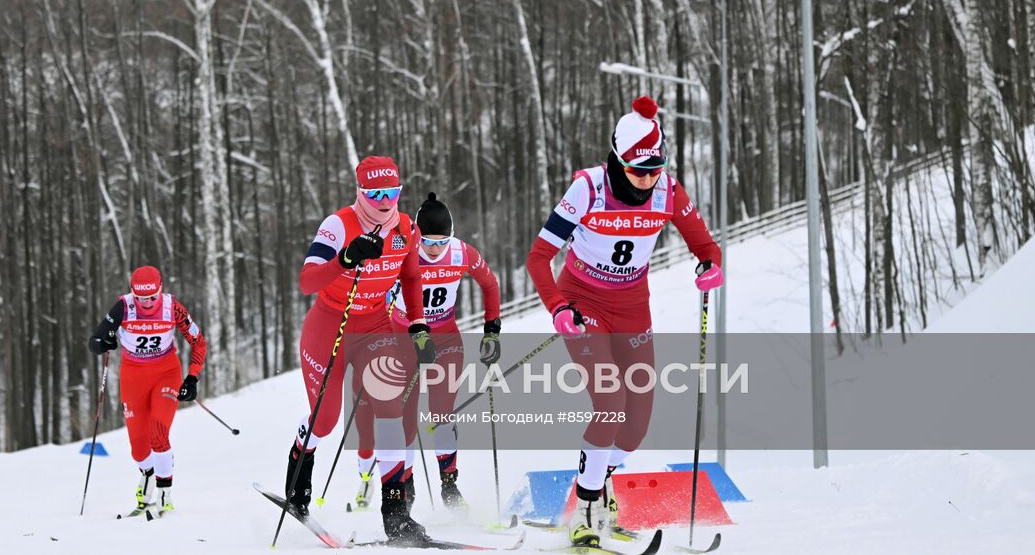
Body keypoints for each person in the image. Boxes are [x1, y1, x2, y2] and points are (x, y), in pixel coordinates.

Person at [525, 97, 723, 549]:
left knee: (635, 426)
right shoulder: (588, 190)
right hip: (583, 299)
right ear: (617, 161)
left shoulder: (668, 192)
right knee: (610, 398)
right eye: (639, 171)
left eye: (656, 169)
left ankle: (594, 484)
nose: (648, 180)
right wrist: (558, 307)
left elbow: (704, 244)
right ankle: (587, 511)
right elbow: (538, 258)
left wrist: (710, 264)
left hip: (633, 304)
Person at [288, 155, 436, 543]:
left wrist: (419, 325)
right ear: (361, 192)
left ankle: (396, 513)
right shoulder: (338, 225)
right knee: (326, 420)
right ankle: (298, 475)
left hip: (375, 325)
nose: (386, 201)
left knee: (391, 407)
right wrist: (346, 258)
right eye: (376, 194)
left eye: (393, 192)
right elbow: (307, 282)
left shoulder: (406, 227)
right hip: (329, 327)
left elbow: (411, 276)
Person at [352, 192, 502, 511]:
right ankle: (405, 488)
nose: (434, 249)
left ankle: (450, 485)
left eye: (441, 242)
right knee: (404, 419)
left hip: (446, 339)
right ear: (416, 234)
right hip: (401, 339)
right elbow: (372, 290)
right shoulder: (402, 253)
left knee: (441, 414)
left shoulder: (462, 253)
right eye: (428, 242)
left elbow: (490, 284)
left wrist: (492, 329)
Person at [88, 265, 207, 518]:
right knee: (138, 449)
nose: (148, 304)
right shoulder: (123, 306)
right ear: (133, 294)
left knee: (158, 430)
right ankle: (148, 473)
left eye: (152, 297)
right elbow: (96, 341)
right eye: (142, 299)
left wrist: (192, 377)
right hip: (133, 377)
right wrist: (104, 342)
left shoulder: (172, 307)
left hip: (166, 373)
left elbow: (198, 341)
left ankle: (165, 494)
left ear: (160, 290)